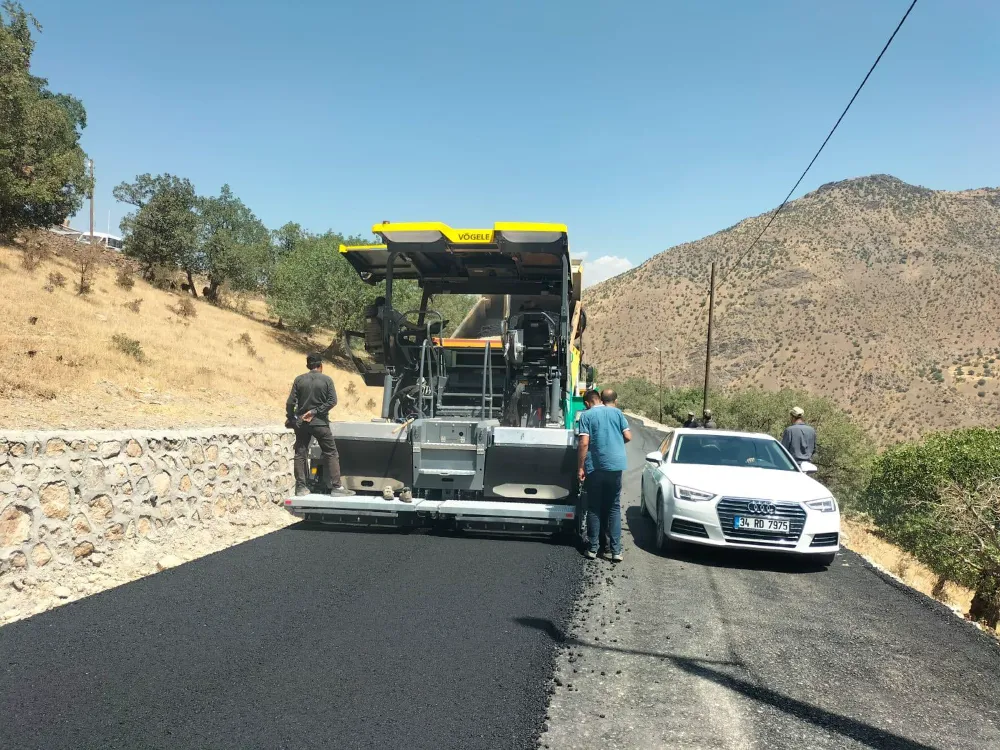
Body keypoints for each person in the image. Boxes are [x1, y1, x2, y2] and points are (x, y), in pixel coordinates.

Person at [286, 353, 354, 497]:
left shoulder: (299, 379)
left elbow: (290, 402)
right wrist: (315, 411)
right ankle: (336, 487)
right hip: (320, 423)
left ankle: (301, 488)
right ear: (321, 366)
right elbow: (332, 401)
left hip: (302, 424)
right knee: (331, 453)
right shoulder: (327, 380)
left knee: (300, 453)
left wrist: (291, 418)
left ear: (307, 366)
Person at [577, 388, 632, 563]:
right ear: (599, 399)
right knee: (614, 507)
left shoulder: (586, 416)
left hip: (596, 467)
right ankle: (616, 551)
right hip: (616, 466)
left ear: (587, 403)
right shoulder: (617, 413)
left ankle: (593, 549)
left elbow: (584, 443)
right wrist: (615, 442)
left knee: (594, 508)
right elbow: (628, 436)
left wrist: (580, 467)